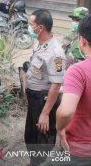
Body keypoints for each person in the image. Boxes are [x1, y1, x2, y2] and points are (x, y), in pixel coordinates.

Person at [42, 14, 91, 166]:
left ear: (82, 41)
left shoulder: (77, 71)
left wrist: (60, 129)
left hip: (78, 149)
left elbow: (66, 112)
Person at [25, 9, 66, 165]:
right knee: (31, 135)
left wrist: (45, 113)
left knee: (42, 137)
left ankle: (40, 163)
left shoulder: (55, 52)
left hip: (44, 100)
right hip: (35, 99)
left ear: (40, 28)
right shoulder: (41, 44)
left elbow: (56, 84)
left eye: (31, 24)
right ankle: (34, 162)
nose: (30, 27)